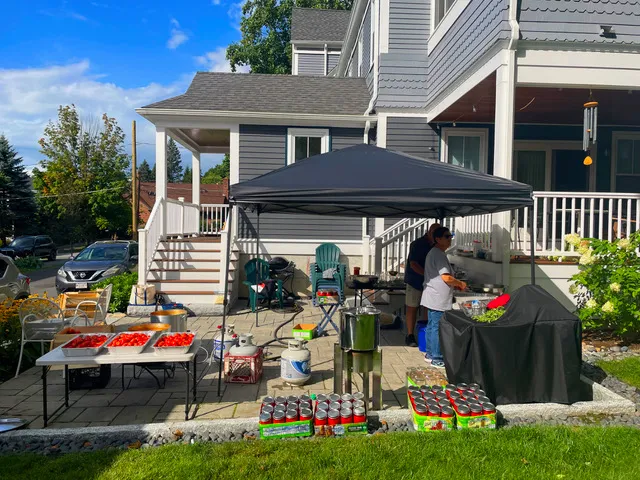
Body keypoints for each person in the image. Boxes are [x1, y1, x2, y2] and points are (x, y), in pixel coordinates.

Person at [421, 227, 467, 368]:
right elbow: (446, 277)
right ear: (438, 239)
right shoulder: (438, 255)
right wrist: (460, 283)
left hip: (433, 295)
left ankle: (430, 354)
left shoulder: (436, 253)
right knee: (436, 327)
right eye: (447, 236)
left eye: (450, 236)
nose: (449, 239)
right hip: (437, 297)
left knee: (432, 326)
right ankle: (437, 357)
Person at [403, 223, 440, 347]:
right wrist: (427, 275)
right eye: (435, 233)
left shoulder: (437, 245)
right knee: (412, 307)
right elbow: (413, 264)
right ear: (429, 232)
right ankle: (409, 335)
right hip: (415, 280)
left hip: (430, 282)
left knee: (428, 307)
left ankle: (426, 334)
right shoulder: (418, 244)